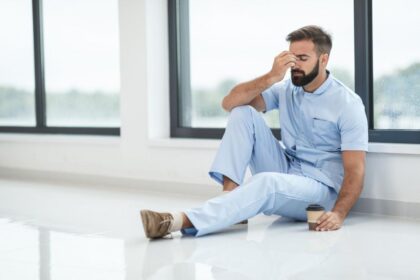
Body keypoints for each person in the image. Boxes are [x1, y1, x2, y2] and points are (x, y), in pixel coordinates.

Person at [140, 25, 368, 239]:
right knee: (242, 111)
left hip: (320, 190)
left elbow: (355, 170)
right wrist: (271, 77)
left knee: (267, 181)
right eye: (291, 57)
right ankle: (229, 200)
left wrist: (338, 214)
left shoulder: (347, 104)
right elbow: (229, 103)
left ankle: (178, 221)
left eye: (303, 58)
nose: (295, 65)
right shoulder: (287, 89)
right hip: (289, 168)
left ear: (324, 59)